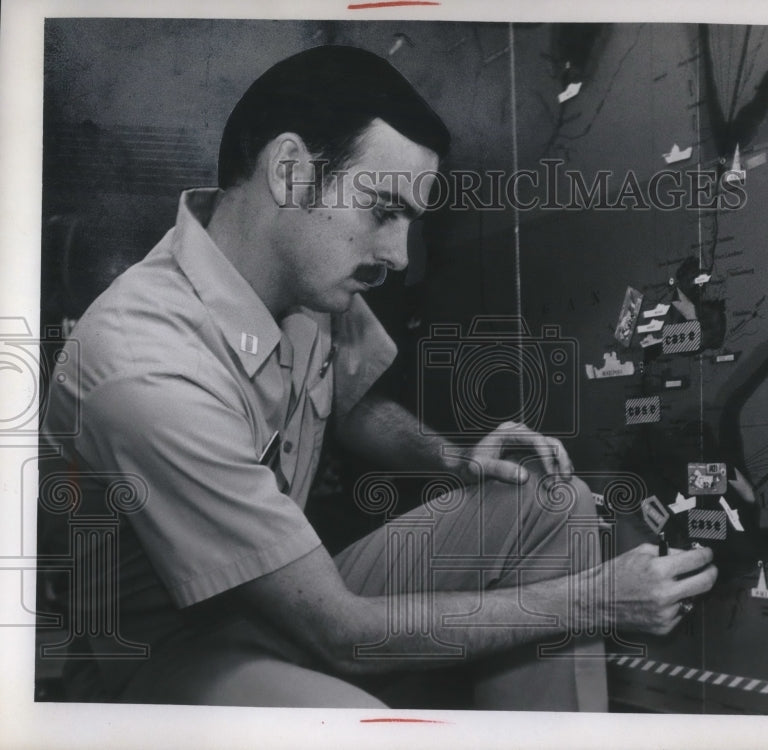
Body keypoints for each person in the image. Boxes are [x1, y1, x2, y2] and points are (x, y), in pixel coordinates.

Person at [41, 44, 717, 711]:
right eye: (383, 212)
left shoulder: (306, 276)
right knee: (362, 726)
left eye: (409, 223)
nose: (398, 256)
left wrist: (451, 459)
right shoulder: (146, 367)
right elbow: (341, 633)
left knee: (549, 501)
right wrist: (598, 600)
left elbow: (350, 404)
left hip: (285, 596)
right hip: (160, 658)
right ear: (291, 172)